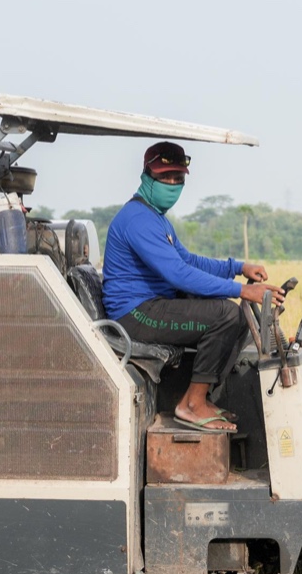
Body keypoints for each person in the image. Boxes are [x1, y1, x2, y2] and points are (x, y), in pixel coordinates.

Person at [102, 141, 285, 433]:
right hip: (134, 314)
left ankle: (197, 397)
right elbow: (179, 274)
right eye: (165, 177)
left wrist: (236, 268)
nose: (172, 184)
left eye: (178, 178)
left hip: (153, 305)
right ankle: (191, 404)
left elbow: (187, 259)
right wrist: (241, 289)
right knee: (225, 314)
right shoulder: (137, 219)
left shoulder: (156, 219)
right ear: (146, 177)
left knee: (237, 318)